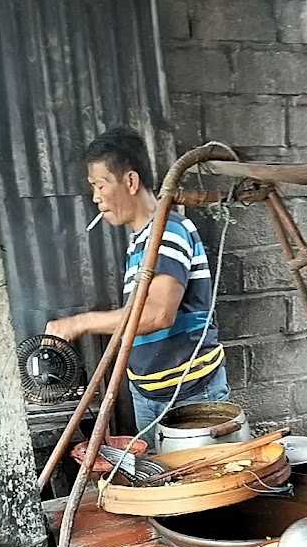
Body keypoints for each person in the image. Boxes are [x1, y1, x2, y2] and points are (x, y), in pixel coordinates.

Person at [46, 126, 230, 445]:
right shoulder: (140, 243)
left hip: (191, 395)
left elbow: (157, 314)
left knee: (204, 485)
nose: (96, 197)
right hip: (149, 396)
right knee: (164, 484)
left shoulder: (169, 231)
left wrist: (79, 323)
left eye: (100, 185)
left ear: (130, 181)